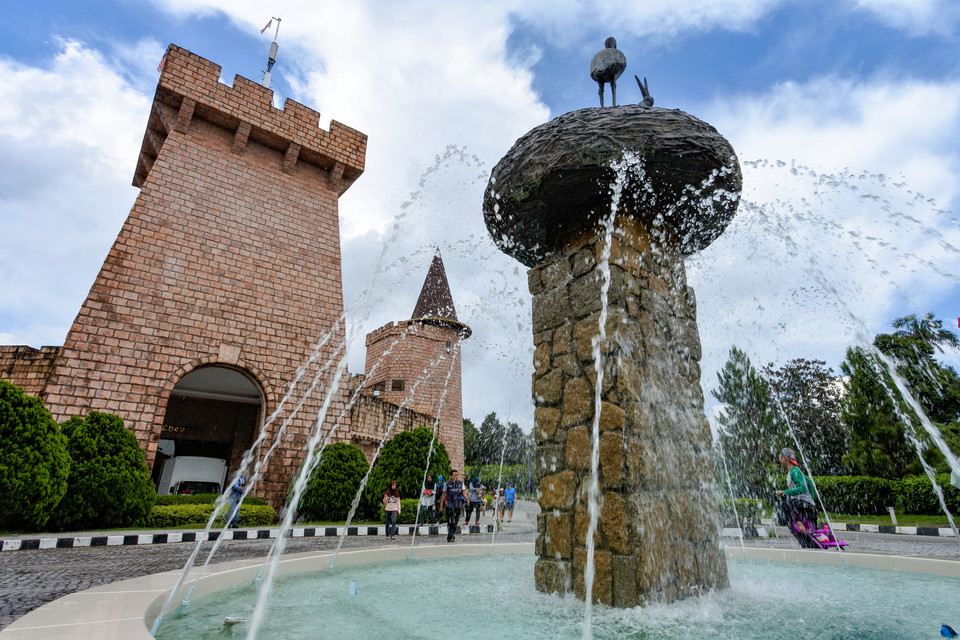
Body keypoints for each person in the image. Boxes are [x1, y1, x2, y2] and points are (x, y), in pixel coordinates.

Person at [775, 447, 818, 547]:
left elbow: (803, 488)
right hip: (807, 505)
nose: (779, 459)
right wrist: (811, 501)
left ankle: (798, 525)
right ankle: (802, 530)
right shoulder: (795, 471)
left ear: (786, 459)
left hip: (803, 505)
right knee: (786, 508)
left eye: (780, 457)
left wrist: (785, 492)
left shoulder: (794, 471)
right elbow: (810, 484)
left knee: (784, 508)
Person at [440, 469, 468, 542]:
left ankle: (451, 535)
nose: (456, 477)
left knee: (455, 521)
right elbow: (443, 495)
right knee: (450, 521)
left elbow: (463, 492)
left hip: (457, 505)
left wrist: (467, 499)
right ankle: (451, 536)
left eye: (457, 475)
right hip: (449, 505)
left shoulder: (460, 483)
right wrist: (441, 506)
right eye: (454, 475)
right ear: (451, 476)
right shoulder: (447, 484)